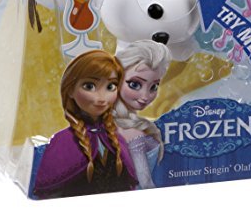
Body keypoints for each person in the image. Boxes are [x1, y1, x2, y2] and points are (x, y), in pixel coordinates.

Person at [32, 50, 137, 199]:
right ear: (70, 90)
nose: (102, 98)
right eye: (89, 86)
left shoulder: (116, 140)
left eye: (110, 87)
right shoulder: (62, 142)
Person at [114, 41, 171, 189]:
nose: (145, 96)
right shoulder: (133, 134)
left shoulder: (112, 124)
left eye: (154, 87)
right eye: (134, 84)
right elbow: (145, 184)